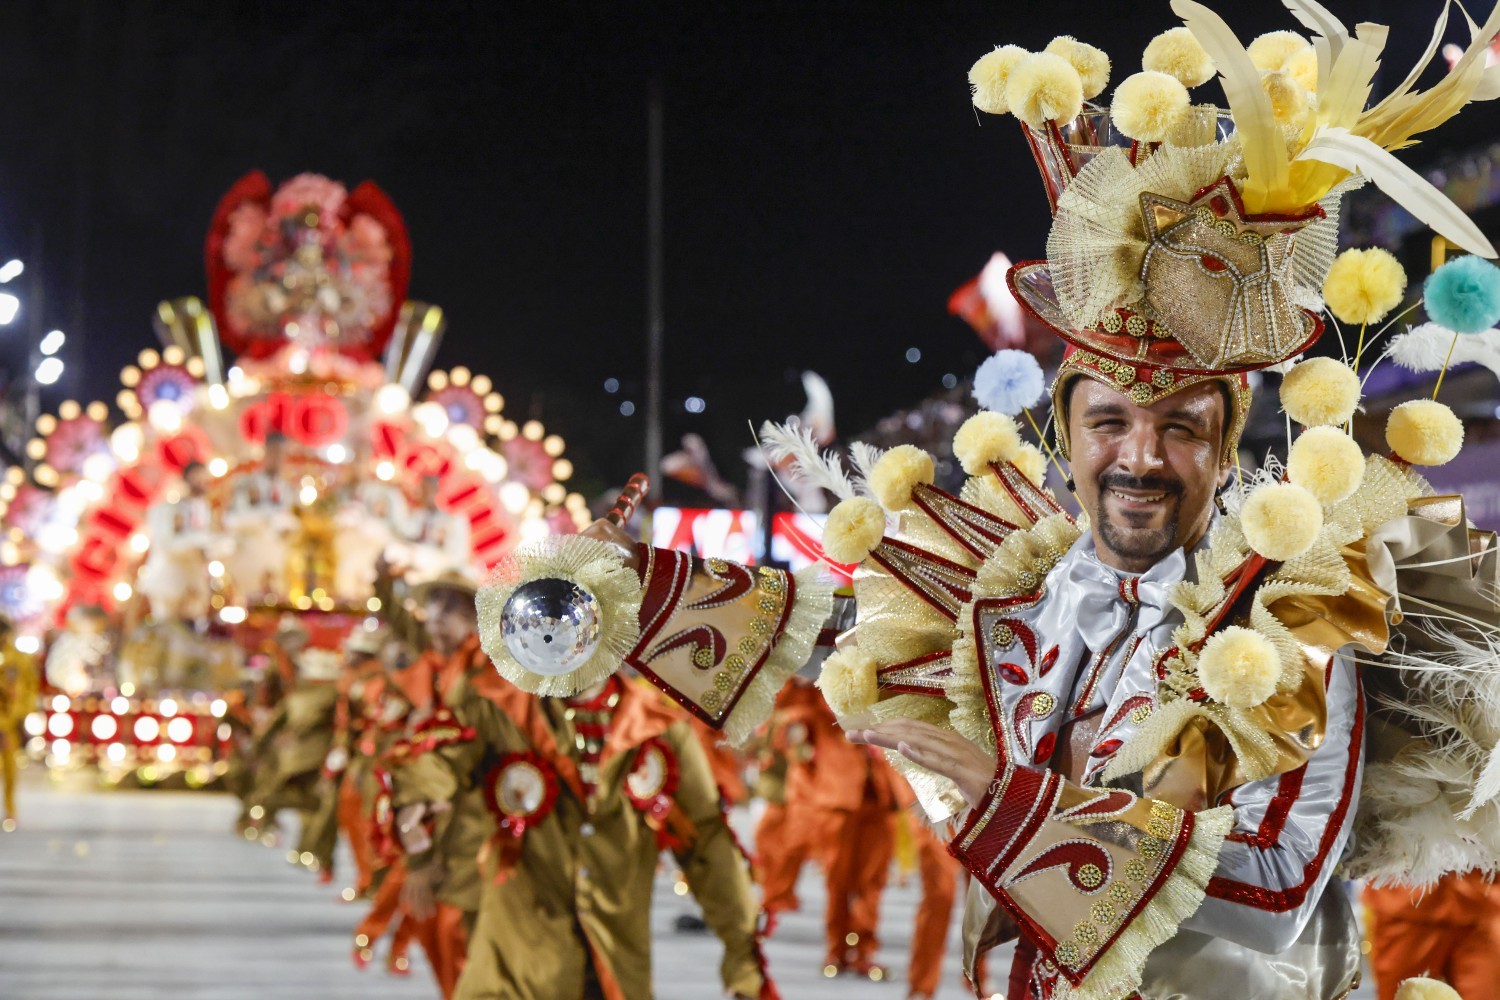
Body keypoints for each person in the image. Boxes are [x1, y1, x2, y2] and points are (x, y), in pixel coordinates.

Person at [471, 6, 1500, 999]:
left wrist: (1003, 798)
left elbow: (1274, 888)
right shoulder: (1007, 590)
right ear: (1065, 424)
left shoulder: (1292, 613)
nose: (1140, 456)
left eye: (1181, 426)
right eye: (1110, 423)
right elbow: (821, 627)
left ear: (1228, 440)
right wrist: (621, 593)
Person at [0, 618, 39, 831]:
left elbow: (29, 688)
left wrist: (23, 715)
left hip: (7, 723)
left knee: (10, 770)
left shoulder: (19, 659)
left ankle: (10, 810)